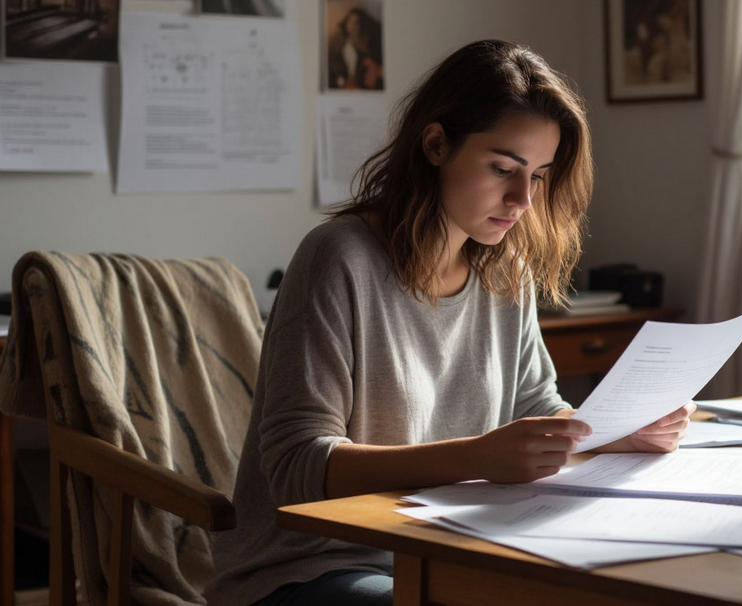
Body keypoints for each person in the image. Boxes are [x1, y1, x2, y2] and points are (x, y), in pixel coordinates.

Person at [207, 39, 695, 606]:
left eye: (538, 176)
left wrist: (616, 432)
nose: (522, 200)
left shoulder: (504, 270)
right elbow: (296, 467)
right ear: (436, 144)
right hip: (313, 567)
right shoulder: (338, 257)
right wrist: (477, 457)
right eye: (502, 168)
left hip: (447, 546)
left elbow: (536, 410)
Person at [326, 7, 384, 90]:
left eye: (356, 22)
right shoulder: (336, 45)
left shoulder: (367, 47)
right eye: (350, 21)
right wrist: (343, 83)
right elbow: (331, 72)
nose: (352, 25)